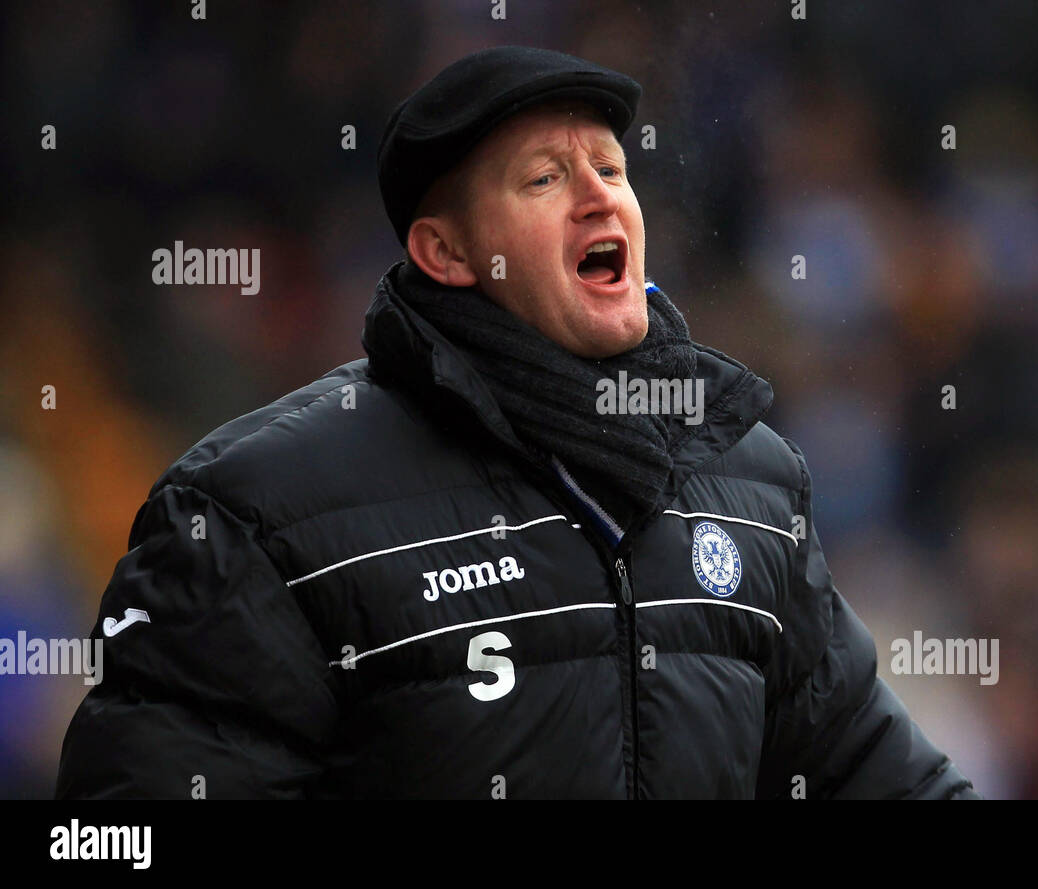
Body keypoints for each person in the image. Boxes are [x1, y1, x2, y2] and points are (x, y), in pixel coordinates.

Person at [56, 45, 980, 799]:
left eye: (611, 169)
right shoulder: (258, 510)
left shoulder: (750, 480)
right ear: (446, 251)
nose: (599, 195)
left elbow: (874, 775)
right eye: (544, 178)